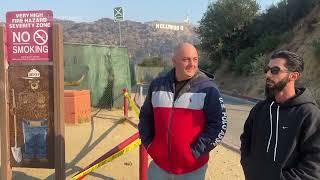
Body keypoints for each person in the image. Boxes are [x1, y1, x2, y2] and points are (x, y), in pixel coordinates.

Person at [138, 43, 227, 179]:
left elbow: (219, 125)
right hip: (159, 166)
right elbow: (145, 118)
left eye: (195, 59)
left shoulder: (208, 89)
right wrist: (150, 145)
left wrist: (194, 153)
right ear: (174, 61)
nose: (192, 64)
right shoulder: (157, 85)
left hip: (192, 169)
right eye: (186, 59)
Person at [240, 50, 320, 180]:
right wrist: (249, 168)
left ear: (293, 76)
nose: (268, 75)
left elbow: (314, 165)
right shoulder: (260, 109)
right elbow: (246, 139)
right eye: (267, 70)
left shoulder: (310, 114)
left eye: (275, 70)